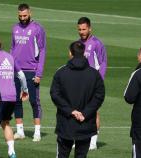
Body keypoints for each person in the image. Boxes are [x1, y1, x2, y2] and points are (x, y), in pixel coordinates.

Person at [50, 41, 105, 158]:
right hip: (86, 123)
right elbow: (99, 96)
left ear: (70, 53)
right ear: (84, 53)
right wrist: (85, 113)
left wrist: (70, 111)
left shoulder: (61, 73)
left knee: (62, 154)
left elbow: (55, 94)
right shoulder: (94, 74)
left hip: (66, 122)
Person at [0, 33, 29, 158]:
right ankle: (11, 152)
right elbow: (22, 75)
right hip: (12, 96)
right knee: (5, 122)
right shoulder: (9, 56)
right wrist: (24, 90)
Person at [10, 3, 46, 142]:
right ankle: (20, 131)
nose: (22, 18)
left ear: (30, 13)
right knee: (16, 100)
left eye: (25, 15)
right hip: (17, 70)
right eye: (20, 16)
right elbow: (12, 49)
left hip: (32, 70)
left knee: (33, 101)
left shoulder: (37, 28)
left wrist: (39, 73)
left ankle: (37, 132)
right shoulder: (15, 28)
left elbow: (42, 50)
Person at [77, 17, 107, 150]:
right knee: (78, 110)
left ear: (90, 28)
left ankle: (93, 141)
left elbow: (103, 63)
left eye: (84, 29)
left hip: (93, 83)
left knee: (94, 111)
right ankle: (79, 138)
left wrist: (98, 81)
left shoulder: (96, 43)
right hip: (79, 84)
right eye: (79, 29)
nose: (82, 32)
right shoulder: (77, 44)